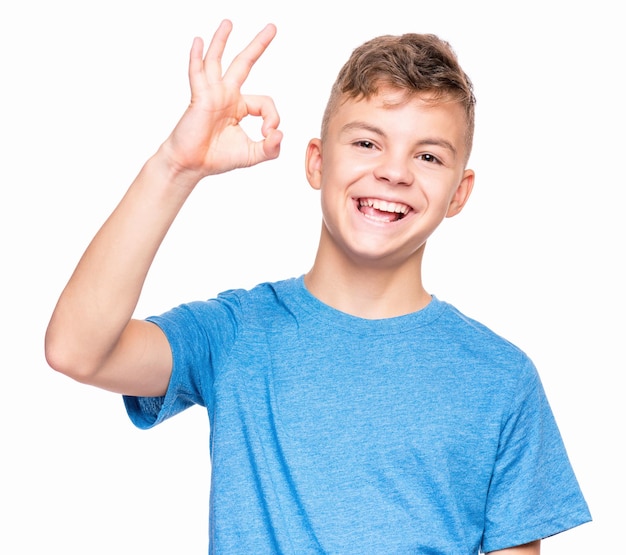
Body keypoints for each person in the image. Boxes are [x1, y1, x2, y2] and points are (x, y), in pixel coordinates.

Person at [45, 19, 591, 554]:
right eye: (366, 143)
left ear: (459, 193)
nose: (395, 172)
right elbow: (77, 350)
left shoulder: (500, 378)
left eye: (427, 156)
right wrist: (175, 166)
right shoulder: (235, 334)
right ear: (317, 162)